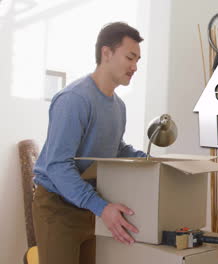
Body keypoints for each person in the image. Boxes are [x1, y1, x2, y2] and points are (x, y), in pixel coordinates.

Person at [32, 22, 146, 264]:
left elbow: (115, 149)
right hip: (58, 207)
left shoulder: (119, 106)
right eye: (130, 57)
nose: (135, 67)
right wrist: (101, 207)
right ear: (106, 53)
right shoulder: (74, 99)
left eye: (138, 60)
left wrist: (149, 161)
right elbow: (58, 165)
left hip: (89, 204)